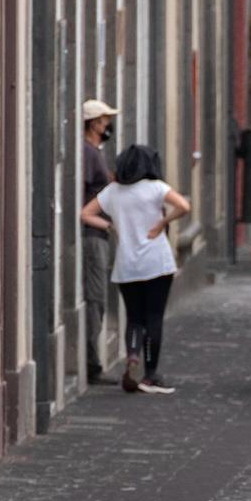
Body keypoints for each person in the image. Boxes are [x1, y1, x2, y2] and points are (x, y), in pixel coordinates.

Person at [82, 144, 191, 395]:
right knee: (154, 317)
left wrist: (110, 226)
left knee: (134, 316)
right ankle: (150, 375)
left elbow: (85, 213)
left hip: (127, 264)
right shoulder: (156, 188)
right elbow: (184, 207)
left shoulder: (113, 192)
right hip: (157, 263)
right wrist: (162, 223)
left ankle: (132, 355)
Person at [80, 98, 118, 385]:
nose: (108, 126)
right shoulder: (89, 154)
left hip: (98, 235)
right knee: (96, 299)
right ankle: (92, 361)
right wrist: (105, 222)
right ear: (94, 123)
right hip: (93, 236)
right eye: (105, 121)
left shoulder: (94, 153)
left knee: (98, 298)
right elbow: (85, 201)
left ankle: (92, 358)